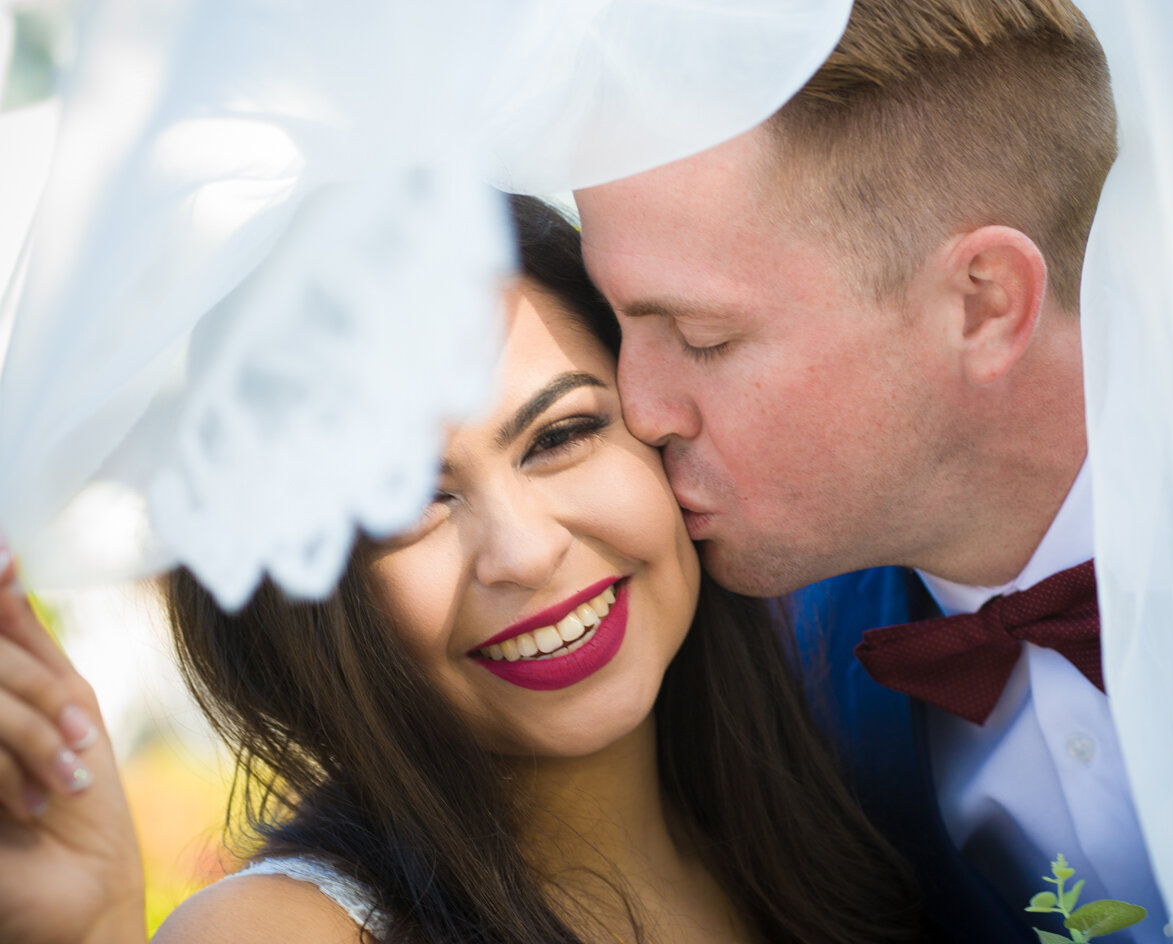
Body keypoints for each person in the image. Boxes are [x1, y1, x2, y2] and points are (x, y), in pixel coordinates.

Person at [572, 1, 1173, 941]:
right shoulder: (769, 703)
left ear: (983, 304)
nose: (639, 408)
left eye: (702, 337)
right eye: (619, 327)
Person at [0, 197, 925, 944]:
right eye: (407, 505)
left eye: (561, 436)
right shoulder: (277, 932)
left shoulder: (858, 789)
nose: (524, 551)